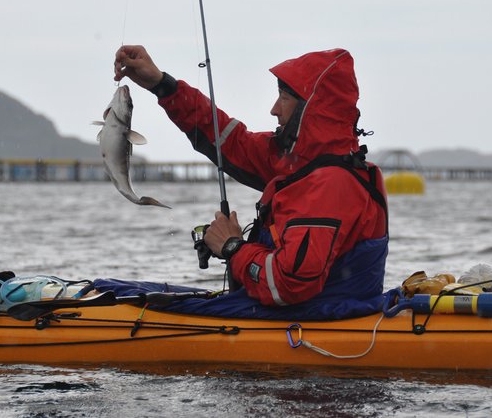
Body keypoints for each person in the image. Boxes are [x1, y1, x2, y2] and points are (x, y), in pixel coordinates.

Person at [113, 45, 388, 318]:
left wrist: (233, 247)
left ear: (310, 109)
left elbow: (288, 285)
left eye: (284, 98)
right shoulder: (300, 164)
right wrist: (162, 85)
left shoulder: (330, 185)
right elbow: (230, 142)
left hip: (317, 316)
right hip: (305, 310)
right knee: (118, 290)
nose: (273, 109)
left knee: (124, 299)